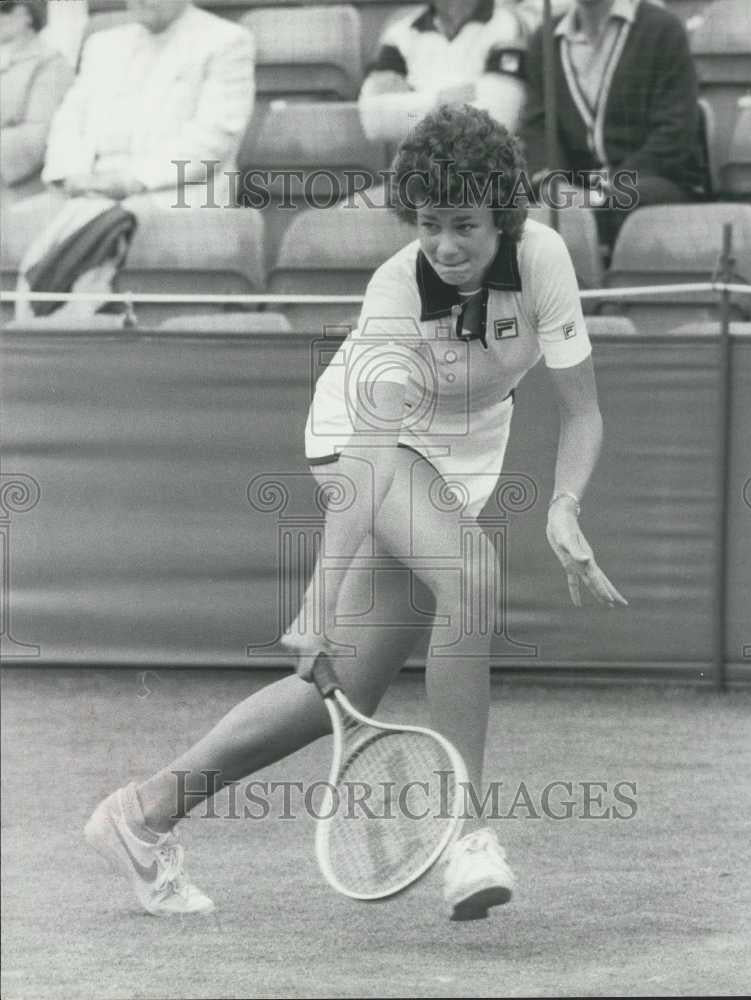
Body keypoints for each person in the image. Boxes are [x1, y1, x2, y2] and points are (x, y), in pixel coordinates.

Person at [84, 104, 627, 922]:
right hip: (362, 442)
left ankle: (144, 812)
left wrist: (563, 507)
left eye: (466, 225)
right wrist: (318, 606)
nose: (447, 245)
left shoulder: (544, 258)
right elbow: (369, 465)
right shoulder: (392, 295)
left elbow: (582, 413)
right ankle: (468, 835)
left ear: (502, 216)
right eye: (432, 224)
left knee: (348, 688)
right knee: (470, 572)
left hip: (464, 449)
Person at [523, 0, 706, 248]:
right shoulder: (544, 39)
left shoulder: (662, 29)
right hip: (575, 188)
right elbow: (537, 130)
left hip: (652, 183)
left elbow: (674, 135)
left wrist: (601, 191)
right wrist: (555, 186)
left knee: (625, 201)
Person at [40, 0, 254, 207]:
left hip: (174, 193)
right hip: (90, 191)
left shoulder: (225, 41)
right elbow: (68, 121)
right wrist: (69, 175)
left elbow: (214, 138)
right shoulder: (102, 44)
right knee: (21, 223)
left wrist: (131, 180)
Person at [358, 0, 527, 143]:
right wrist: (440, 99)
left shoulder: (508, 25)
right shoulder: (400, 32)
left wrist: (406, 106)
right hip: (415, 173)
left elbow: (496, 122)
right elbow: (373, 121)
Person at [0, 0, 73, 204]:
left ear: (29, 15)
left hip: (23, 193)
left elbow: (38, 138)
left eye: (4, 8)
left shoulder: (51, 64)